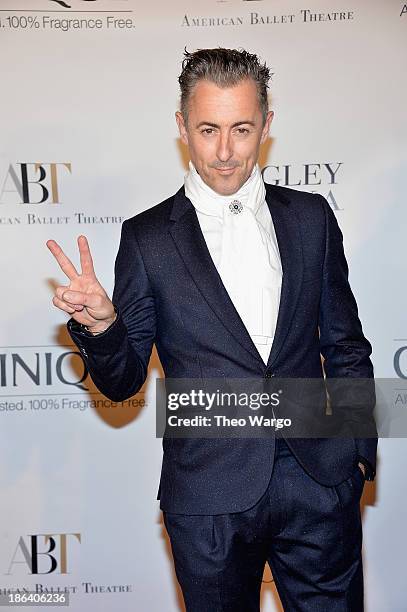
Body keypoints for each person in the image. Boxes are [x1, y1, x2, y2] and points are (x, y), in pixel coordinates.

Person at [47, 48, 377, 611]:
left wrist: (356, 457)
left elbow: (345, 346)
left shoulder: (310, 217)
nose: (224, 152)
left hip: (318, 483)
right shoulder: (148, 238)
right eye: (208, 130)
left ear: (266, 126)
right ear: (182, 127)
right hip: (207, 496)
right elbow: (125, 382)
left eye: (242, 129)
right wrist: (104, 329)